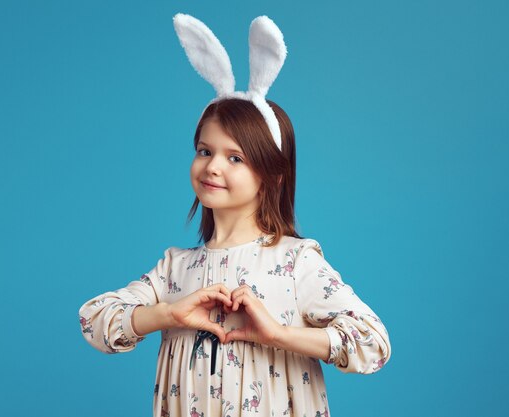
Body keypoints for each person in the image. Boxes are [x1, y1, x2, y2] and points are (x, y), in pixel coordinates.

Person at [79, 14, 391, 417]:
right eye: (205, 151)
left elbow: (374, 344)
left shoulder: (294, 262)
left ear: (272, 176)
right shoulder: (175, 269)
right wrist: (168, 314)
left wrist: (279, 335)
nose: (212, 167)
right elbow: (94, 321)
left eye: (235, 157)